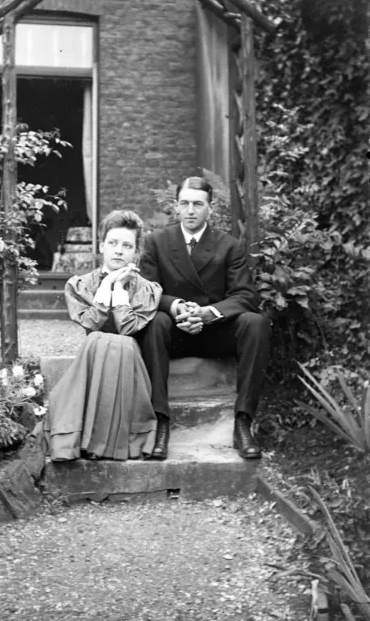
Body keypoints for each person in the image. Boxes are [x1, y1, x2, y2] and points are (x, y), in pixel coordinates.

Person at [137, 176, 270, 460]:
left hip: (214, 334)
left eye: (198, 204)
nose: (190, 210)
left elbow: (246, 296)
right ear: (176, 206)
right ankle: (161, 422)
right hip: (173, 333)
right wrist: (175, 307)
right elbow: (144, 293)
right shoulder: (156, 242)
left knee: (255, 323)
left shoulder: (229, 246)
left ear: (210, 208)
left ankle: (243, 423)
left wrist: (208, 313)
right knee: (154, 321)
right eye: (184, 203)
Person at [44, 210, 163, 462]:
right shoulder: (80, 284)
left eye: (127, 245)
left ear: (136, 253)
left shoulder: (147, 289)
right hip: (92, 358)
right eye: (113, 243)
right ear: (101, 246)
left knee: (121, 344)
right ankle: (90, 440)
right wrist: (106, 286)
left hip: (128, 361)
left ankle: (99, 443)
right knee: (97, 339)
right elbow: (91, 324)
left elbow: (129, 328)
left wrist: (119, 290)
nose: (119, 251)